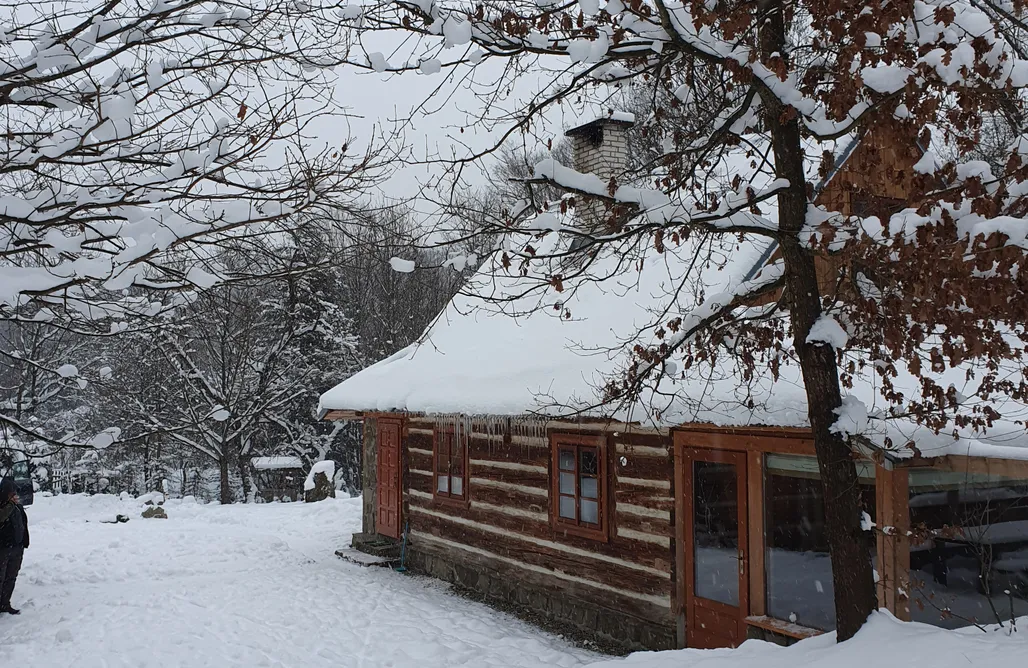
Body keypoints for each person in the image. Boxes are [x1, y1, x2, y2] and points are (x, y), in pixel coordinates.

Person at [0, 477, 29, 615]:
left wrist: (24, 541)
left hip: (17, 547)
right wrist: (10, 505)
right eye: (11, 492)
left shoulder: (17, 506)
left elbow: (22, 523)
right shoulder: (3, 505)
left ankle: (5, 604)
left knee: (11, 577)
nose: (14, 495)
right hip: (3, 548)